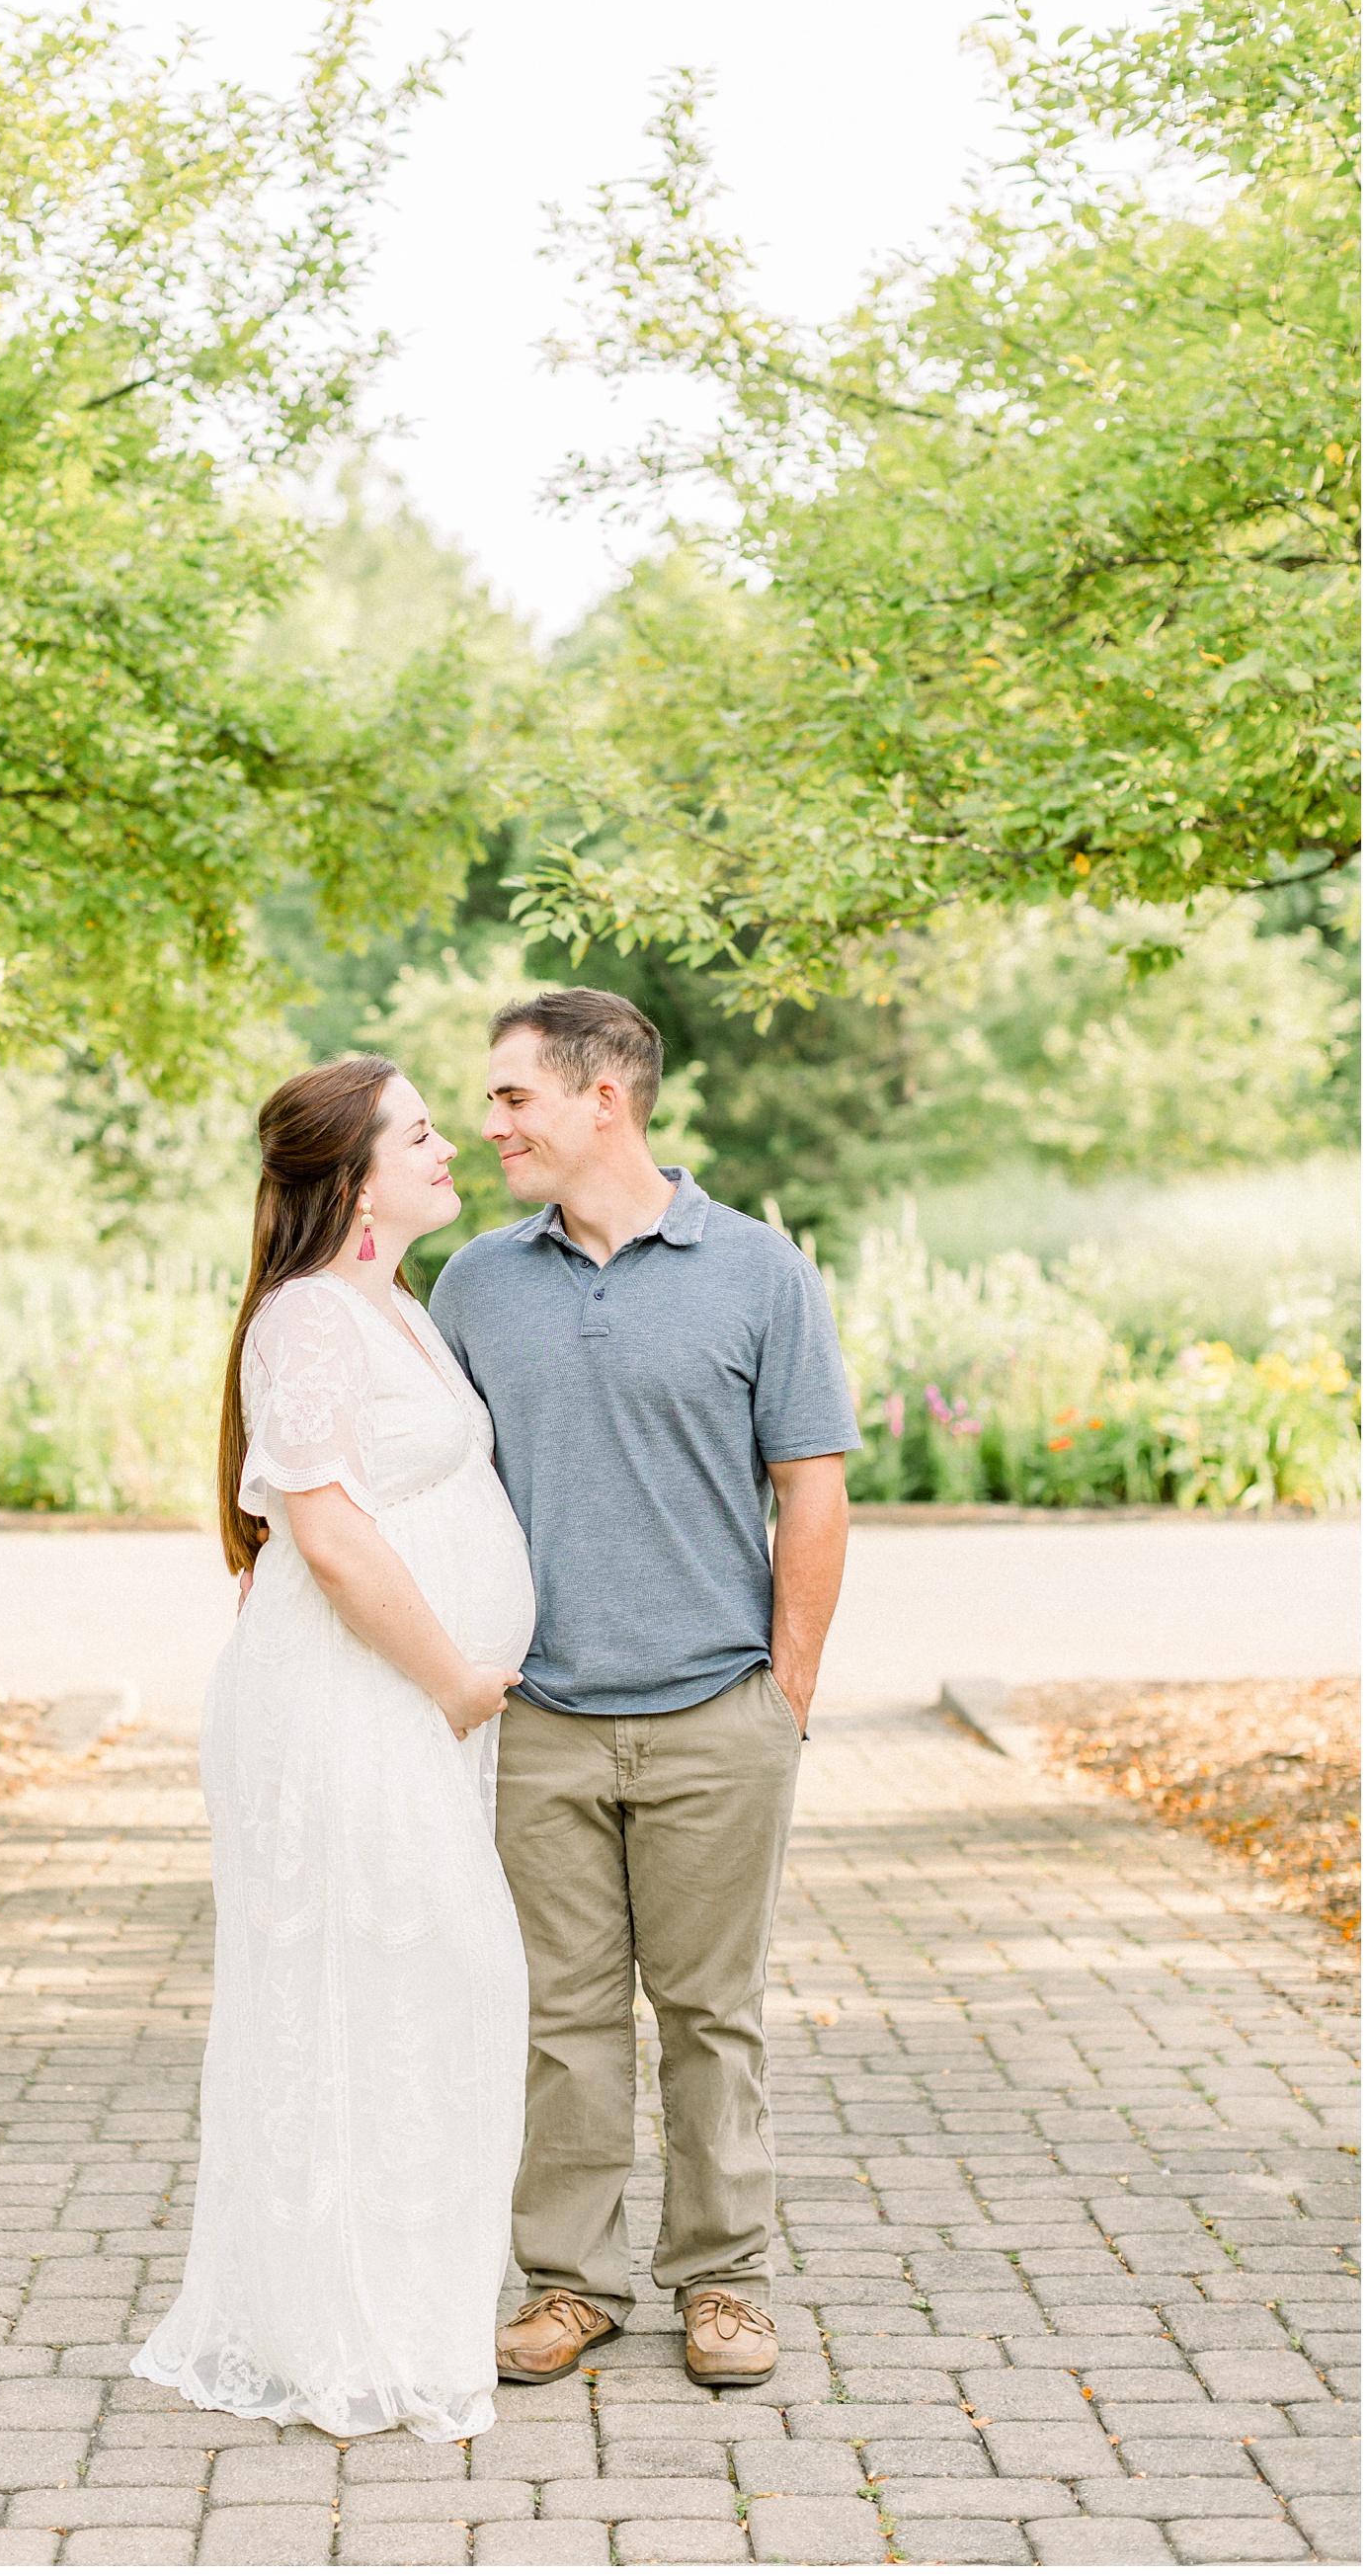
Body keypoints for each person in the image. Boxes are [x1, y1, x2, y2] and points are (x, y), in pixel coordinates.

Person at [430, 987, 860, 2390]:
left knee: (709, 2013)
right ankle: (570, 2282)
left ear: (602, 1093)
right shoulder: (476, 1285)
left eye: (512, 1097)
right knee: (556, 2017)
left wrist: (783, 1698)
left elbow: (813, 1489)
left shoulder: (757, 1271)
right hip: (541, 1717)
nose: (490, 1123)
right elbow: (433, 1493)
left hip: (715, 1715)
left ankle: (726, 2280)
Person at [132, 1055, 533, 2442]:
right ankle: (344, 2326)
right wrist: (455, 1680)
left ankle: (397, 2308)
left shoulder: (392, 1307)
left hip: (395, 1703)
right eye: (422, 1133)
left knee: (417, 1993)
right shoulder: (311, 1318)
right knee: (405, 1986)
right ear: (356, 1173)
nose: (450, 1148)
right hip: (362, 1700)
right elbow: (334, 1538)